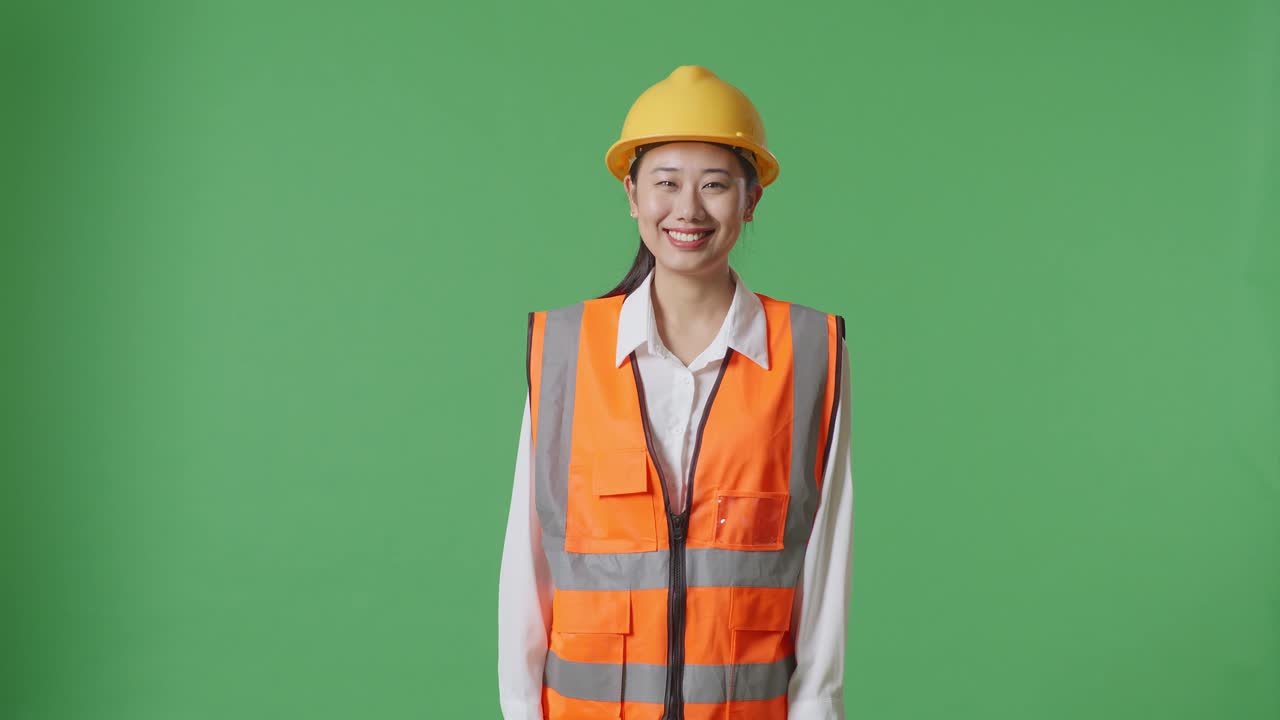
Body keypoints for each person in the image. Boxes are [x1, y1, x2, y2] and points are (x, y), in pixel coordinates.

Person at [498, 65, 854, 720]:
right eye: (666, 183)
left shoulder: (809, 352)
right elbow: (528, 564)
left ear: (751, 201)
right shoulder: (566, 351)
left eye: (715, 185)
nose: (687, 209)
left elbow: (826, 566)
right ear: (632, 194)